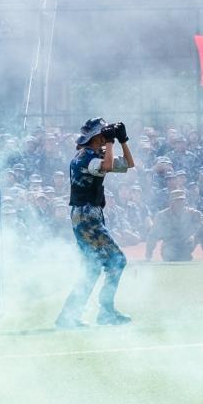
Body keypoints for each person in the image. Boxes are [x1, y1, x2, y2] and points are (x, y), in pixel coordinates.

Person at [57, 118, 135, 329]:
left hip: (88, 215)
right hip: (86, 216)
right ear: (95, 136)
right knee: (117, 260)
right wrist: (110, 142)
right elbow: (108, 166)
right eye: (103, 133)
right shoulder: (85, 158)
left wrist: (123, 140)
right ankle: (106, 312)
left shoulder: (94, 154)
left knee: (92, 268)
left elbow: (129, 164)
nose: (105, 135)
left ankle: (68, 316)